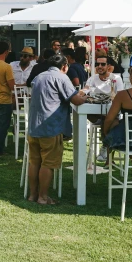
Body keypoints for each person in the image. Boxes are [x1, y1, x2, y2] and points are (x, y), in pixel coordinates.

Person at [27, 54, 87, 204]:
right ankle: (43, 197)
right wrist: (85, 95)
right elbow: (76, 100)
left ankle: (32, 195)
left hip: (34, 127)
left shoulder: (39, 76)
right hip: (50, 127)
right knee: (48, 163)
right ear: (64, 67)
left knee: (34, 162)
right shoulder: (61, 77)